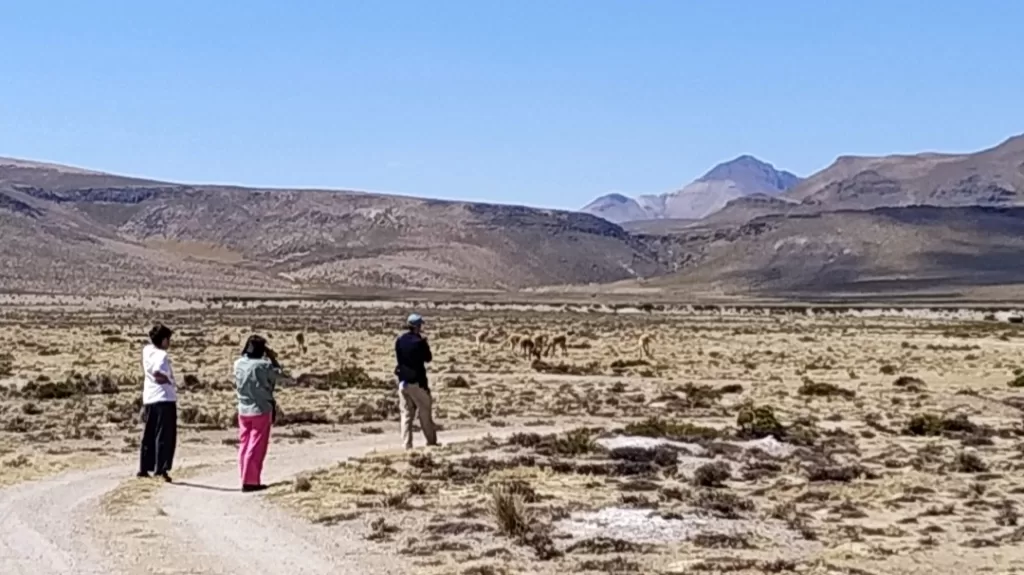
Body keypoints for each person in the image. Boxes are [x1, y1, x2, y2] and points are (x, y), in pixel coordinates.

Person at [234, 335, 284, 492]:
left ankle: (245, 476)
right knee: (256, 446)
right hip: (261, 409)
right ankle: (251, 481)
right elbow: (280, 375)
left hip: (243, 408)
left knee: (244, 443)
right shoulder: (264, 366)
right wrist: (272, 358)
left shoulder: (238, 364)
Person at [139, 324, 178, 482]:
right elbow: (157, 373)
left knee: (149, 434)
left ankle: (144, 467)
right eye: (168, 339)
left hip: (150, 397)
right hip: (164, 398)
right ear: (163, 340)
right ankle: (160, 469)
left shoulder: (146, 350)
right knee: (164, 435)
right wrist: (169, 380)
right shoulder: (161, 355)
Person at [394, 313, 437, 449]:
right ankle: (431, 443)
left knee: (406, 414)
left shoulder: (400, 340)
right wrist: (425, 344)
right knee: (425, 411)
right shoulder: (420, 342)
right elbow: (428, 358)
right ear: (418, 327)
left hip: (403, 382)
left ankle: (406, 445)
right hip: (417, 382)